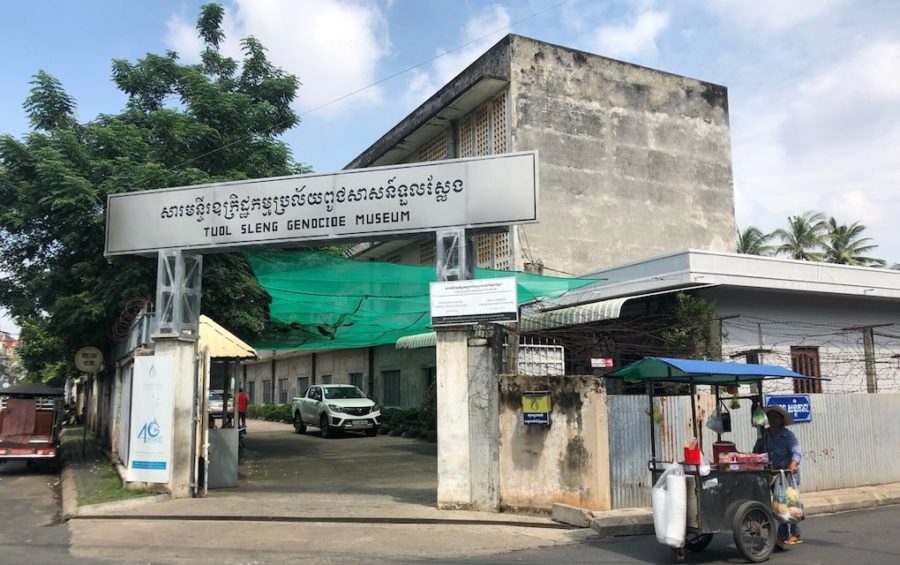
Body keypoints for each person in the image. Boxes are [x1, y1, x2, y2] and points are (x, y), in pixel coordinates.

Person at [753, 405, 802, 545]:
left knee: (790, 504)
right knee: (779, 505)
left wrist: (793, 465)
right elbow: (757, 452)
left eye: (776, 417)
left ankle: (791, 534)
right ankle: (787, 534)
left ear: (782, 420)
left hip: (787, 475)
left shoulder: (788, 435)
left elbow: (796, 452)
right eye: (771, 417)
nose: (773, 419)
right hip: (773, 475)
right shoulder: (765, 435)